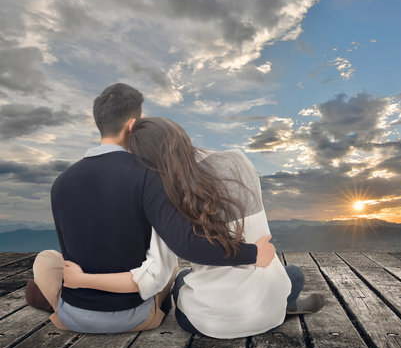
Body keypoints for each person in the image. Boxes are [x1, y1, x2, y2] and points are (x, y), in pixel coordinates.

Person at [25, 83, 276, 333]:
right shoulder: (150, 176)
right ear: (132, 125)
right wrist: (253, 254)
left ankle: (51, 297)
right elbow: (183, 245)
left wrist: (81, 279)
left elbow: (70, 252)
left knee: (47, 260)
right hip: (134, 315)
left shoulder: (60, 183)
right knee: (170, 270)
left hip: (74, 314)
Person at [62, 117, 324, 338]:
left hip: (212, 323)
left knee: (181, 280)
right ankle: (280, 304)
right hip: (268, 309)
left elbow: (182, 252)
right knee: (291, 275)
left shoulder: (166, 193)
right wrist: (255, 255)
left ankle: (262, 303)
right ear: (178, 134)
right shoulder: (238, 160)